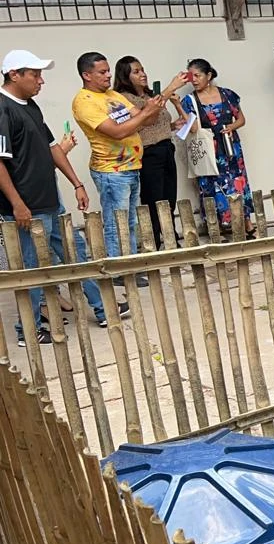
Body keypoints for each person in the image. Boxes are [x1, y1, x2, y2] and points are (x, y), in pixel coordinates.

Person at [1, 49, 126, 347]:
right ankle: (28, 329)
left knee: (76, 252)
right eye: (35, 75)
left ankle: (103, 308)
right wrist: (17, 204)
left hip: (50, 201)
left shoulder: (30, 106)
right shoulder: (3, 109)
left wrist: (77, 183)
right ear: (14, 75)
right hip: (26, 207)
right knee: (31, 268)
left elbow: (52, 147)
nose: (40, 81)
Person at [73, 51, 183, 262]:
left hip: (132, 166)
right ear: (87, 75)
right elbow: (117, 132)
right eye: (102, 72)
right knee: (117, 224)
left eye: (108, 71)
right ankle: (119, 270)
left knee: (129, 222)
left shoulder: (113, 95)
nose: (108, 75)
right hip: (111, 172)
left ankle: (130, 266)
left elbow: (147, 120)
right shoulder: (84, 101)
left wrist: (150, 109)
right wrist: (149, 109)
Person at [112, 55, 183, 246]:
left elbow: (155, 122)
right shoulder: (125, 98)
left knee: (169, 198)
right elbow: (145, 116)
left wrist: (172, 126)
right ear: (125, 76)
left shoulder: (150, 95)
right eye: (136, 72)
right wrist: (171, 87)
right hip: (148, 153)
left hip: (166, 148)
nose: (143, 74)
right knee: (154, 199)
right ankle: (155, 241)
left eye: (142, 69)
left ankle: (171, 238)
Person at [180, 58, 254, 236]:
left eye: (197, 76)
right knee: (211, 187)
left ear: (209, 75)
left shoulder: (227, 95)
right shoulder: (189, 100)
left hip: (230, 147)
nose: (193, 80)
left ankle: (247, 223)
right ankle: (217, 227)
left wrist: (231, 127)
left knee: (237, 182)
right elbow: (192, 128)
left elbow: (241, 119)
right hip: (208, 150)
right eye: (191, 77)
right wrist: (176, 104)